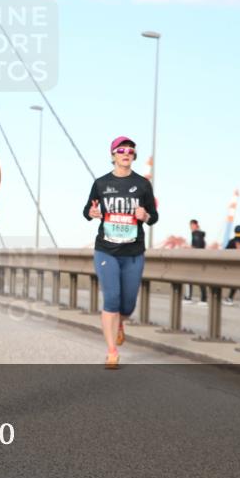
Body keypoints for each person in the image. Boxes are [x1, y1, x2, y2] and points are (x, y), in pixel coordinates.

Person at [83, 136, 158, 370]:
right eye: (121, 150)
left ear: (133, 156)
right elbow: (88, 209)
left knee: (127, 306)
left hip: (133, 251)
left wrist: (145, 216)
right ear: (113, 155)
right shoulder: (101, 184)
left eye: (130, 150)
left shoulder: (143, 185)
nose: (126, 153)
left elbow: (154, 216)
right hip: (106, 250)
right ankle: (112, 351)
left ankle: (120, 325)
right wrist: (92, 213)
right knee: (112, 300)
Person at [185, 219, 208, 305]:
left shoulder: (195, 233)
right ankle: (203, 298)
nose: (190, 227)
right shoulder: (201, 234)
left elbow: (196, 247)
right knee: (199, 278)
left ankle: (188, 297)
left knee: (188, 278)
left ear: (195, 225)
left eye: (191, 225)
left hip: (195, 259)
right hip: (201, 259)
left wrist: (188, 248)